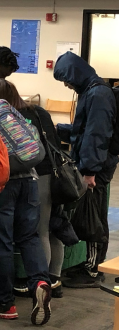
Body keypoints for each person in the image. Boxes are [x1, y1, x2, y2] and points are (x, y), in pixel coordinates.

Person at [0, 79, 52, 326]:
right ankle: (40, 282)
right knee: (29, 237)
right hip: (29, 182)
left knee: (2, 242)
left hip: (2, 185)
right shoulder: (22, 116)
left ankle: (4, 302)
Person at [0, 78, 64, 298]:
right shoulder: (38, 113)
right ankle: (46, 281)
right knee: (41, 234)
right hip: (44, 177)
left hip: (15, 179)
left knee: (7, 239)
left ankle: (5, 297)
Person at [53, 51, 118, 288]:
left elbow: (96, 135)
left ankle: (93, 269)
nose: (66, 84)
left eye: (66, 79)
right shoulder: (90, 91)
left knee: (94, 216)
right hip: (94, 162)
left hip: (97, 166)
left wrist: (89, 170)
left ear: (75, 74)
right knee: (92, 213)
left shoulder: (98, 94)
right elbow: (83, 129)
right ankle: (91, 263)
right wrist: (58, 128)